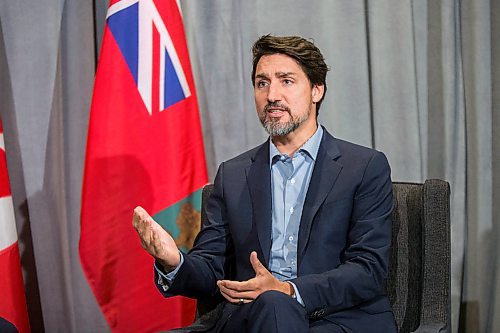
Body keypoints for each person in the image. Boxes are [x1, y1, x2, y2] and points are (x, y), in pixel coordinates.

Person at [133, 34, 397, 332]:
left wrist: (287, 291)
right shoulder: (233, 174)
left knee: (275, 304)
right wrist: (174, 261)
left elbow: (368, 269)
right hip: (249, 316)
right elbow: (211, 269)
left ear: (316, 90)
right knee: (268, 308)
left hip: (336, 318)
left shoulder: (363, 167)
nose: (272, 95)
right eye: (262, 83)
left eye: (286, 81)